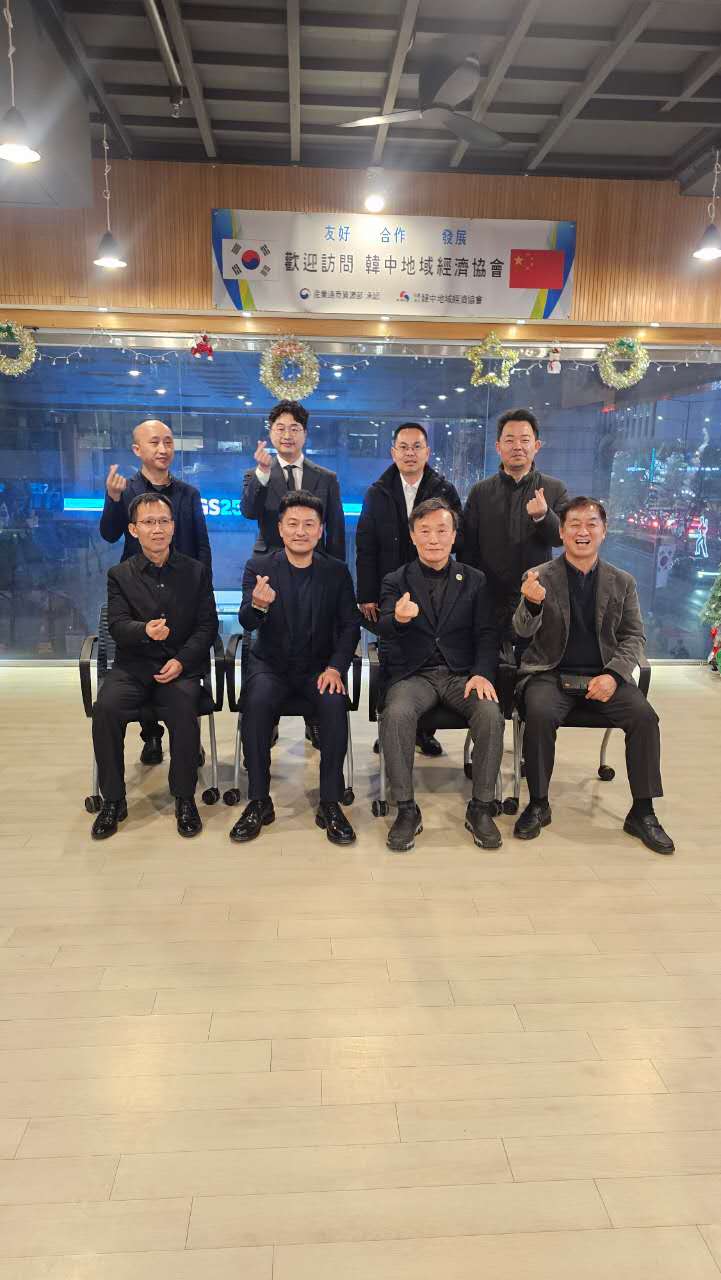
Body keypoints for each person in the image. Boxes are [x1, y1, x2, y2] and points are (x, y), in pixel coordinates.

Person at [512, 496, 674, 854]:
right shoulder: (538, 576)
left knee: (645, 717)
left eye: (591, 524)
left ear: (604, 531)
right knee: (538, 712)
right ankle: (538, 803)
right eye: (574, 524)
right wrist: (531, 603)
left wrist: (614, 675)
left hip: (605, 675)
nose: (582, 531)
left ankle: (643, 812)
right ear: (561, 531)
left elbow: (634, 637)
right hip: (550, 673)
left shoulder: (622, 581)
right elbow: (520, 632)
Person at [229, 490, 360, 847]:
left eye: (309, 524)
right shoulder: (259, 567)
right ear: (280, 528)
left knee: (333, 703)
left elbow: (350, 626)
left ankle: (330, 802)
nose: (300, 531)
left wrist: (335, 668)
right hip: (271, 665)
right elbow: (247, 622)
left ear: (320, 530)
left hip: (318, 668)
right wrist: (258, 606)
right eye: (293, 524)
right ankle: (259, 801)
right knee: (256, 702)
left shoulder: (336, 572)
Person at [377, 498, 504, 853]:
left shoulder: (475, 579)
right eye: (425, 531)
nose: (433, 539)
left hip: (461, 675)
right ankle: (406, 809)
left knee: (490, 713)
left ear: (453, 535)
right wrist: (398, 619)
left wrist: (482, 673)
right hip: (414, 674)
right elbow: (383, 626)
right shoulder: (396, 580)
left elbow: (487, 634)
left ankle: (481, 807)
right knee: (397, 713)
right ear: (412, 536)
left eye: (441, 530)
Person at [90, 492, 218, 841]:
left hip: (179, 667)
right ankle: (113, 800)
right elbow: (117, 626)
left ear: (174, 527)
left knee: (183, 707)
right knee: (106, 708)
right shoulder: (120, 575)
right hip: (133, 668)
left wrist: (182, 661)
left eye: (163, 521)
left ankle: (184, 798)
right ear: (134, 530)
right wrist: (144, 630)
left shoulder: (196, 572)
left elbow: (207, 626)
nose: (157, 529)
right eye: (148, 522)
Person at [100, 419, 212, 766]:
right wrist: (113, 499)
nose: (163, 449)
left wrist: (203, 585)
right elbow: (109, 533)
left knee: (180, 667)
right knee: (143, 659)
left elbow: (201, 543)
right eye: (154, 443)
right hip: (139, 590)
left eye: (168, 442)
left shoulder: (188, 493)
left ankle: (188, 739)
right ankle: (151, 735)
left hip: (182, 588)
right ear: (138, 449)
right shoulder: (127, 489)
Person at [356, 421, 463, 757]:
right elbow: (365, 544)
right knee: (392, 655)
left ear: (427, 452)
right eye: (403, 447)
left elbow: (459, 537)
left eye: (417, 447)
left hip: (434, 584)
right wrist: (366, 593)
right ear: (393, 452)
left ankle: (424, 732)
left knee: (430, 655)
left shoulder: (444, 490)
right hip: (390, 586)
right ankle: (390, 726)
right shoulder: (378, 491)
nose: (410, 453)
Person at [462, 408, 569, 650]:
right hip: (488, 596)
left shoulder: (554, 488)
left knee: (531, 660)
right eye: (509, 440)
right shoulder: (480, 492)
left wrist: (543, 516)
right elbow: (468, 548)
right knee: (489, 661)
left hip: (535, 595)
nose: (517, 446)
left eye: (525, 440)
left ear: (536, 446)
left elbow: (562, 538)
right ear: (498, 447)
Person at [242, 400, 345, 560]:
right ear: (271, 433)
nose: (287, 436)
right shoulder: (255, 475)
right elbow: (249, 512)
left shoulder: (327, 478)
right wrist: (262, 471)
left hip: (314, 564)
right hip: (268, 563)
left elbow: (335, 531)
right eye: (280, 428)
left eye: (294, 429)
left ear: (305, 433)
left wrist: (336, 569)